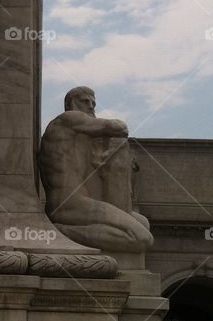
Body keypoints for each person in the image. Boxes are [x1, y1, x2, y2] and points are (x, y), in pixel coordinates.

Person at [39, 86, 153, 252]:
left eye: (93, 103)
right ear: (70, 104)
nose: (91, 106)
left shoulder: (81, 136)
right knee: (142, 238)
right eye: (85, 101)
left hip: (84, 203)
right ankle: (59, 231)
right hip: (68, 204)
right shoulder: (67, 119)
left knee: (143, 223)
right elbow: (119, 127)